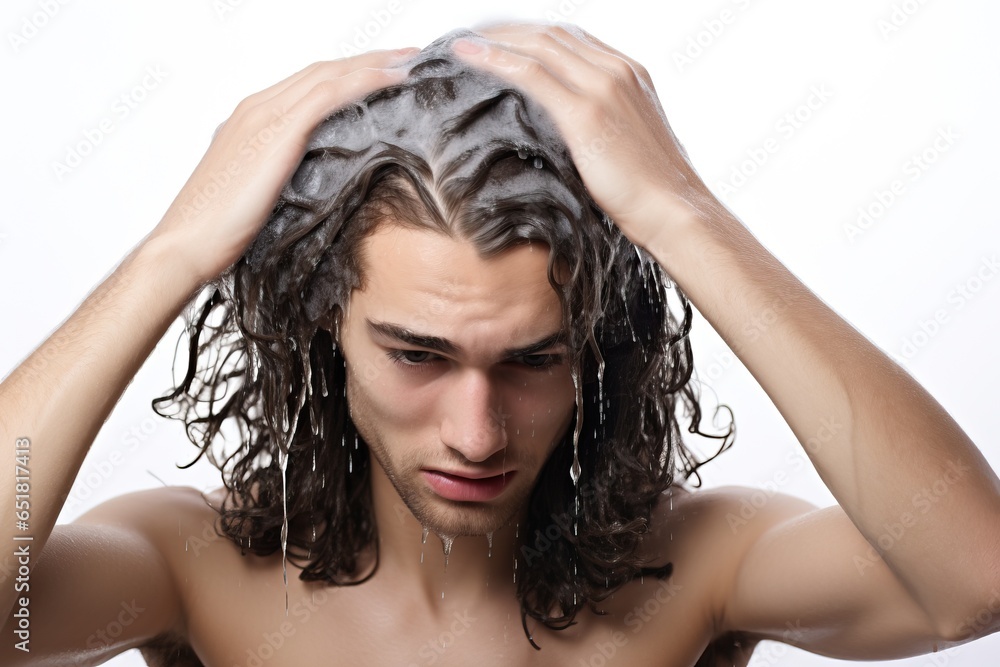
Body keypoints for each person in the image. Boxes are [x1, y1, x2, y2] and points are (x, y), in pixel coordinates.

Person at [2, 22, 998, 667]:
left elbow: (973, 580)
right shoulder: (196, 564)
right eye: (417, 355)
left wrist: (681, 213)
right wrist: (173, 252)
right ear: (324, 328)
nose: (476, 433)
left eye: (531, 359)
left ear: (597, 350)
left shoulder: (696, 568)